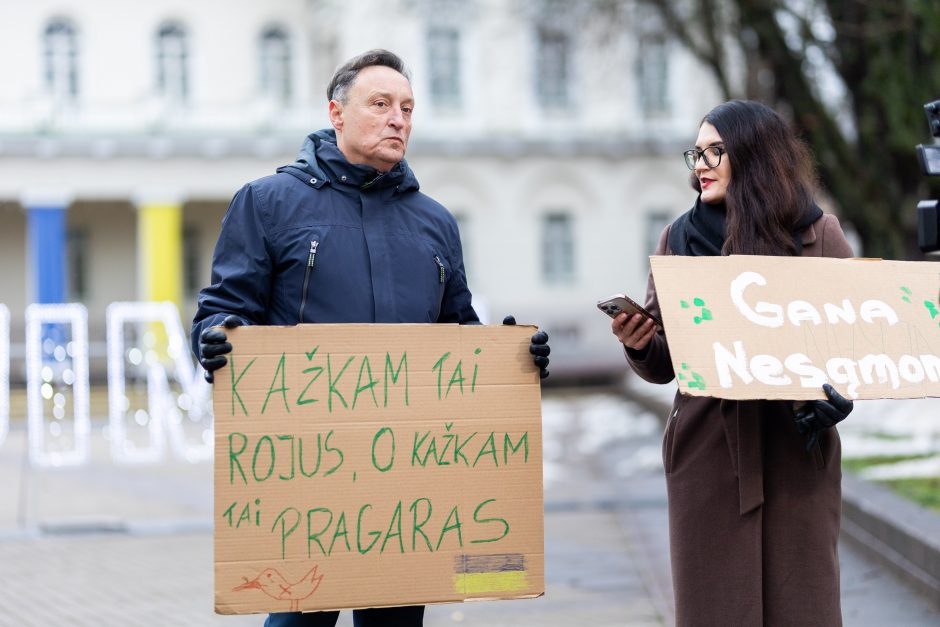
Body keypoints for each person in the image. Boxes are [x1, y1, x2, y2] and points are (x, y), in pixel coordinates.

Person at [191, 49, 549, 627]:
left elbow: (458, 334)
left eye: (407, 108)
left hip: (407, 481)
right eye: (380, 104)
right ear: (336, 113)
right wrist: (216, 339)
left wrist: (512, 362)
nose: (398, 120)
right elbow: (223, 310)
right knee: (297, 620)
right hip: (306, 475)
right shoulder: (268, 202)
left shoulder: (433, 220)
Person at [611, 100, 855, 626]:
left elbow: (853, 348)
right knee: (715, 609)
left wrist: (834, 402)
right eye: (694, 153)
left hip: (795, 449)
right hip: (709, 454)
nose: (699, 164)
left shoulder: (818, 236)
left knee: (804, 605)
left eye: (714, 151)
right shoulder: (678, 239)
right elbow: (665, 362)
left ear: (754, 155)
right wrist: (638, 342)